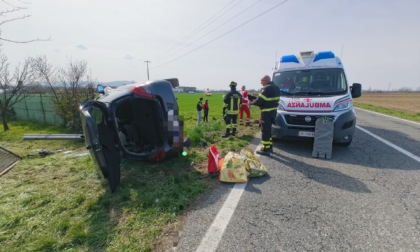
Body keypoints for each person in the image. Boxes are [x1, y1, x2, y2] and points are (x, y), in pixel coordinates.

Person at [250, 75, 280, 155]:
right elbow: (271, 99)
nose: (261, 83)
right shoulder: (276, 87)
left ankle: (265, 149)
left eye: (262, 81)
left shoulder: (266, 88)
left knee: (265, 130)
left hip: (266, 113)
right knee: (269, 130)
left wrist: (251, 103)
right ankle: (270, 147)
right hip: (273, 111)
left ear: (266, 80)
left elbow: (259, 101)